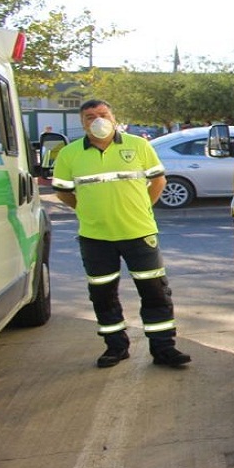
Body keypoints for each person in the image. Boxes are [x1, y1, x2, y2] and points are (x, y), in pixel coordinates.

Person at [51, 99, 191, 369]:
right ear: (82, 122)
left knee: (155, 292)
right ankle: (115, 348)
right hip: (95, 238)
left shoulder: (138, 145)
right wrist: (87, 211)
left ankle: (164, 349)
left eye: (103, 114)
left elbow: (158, 180)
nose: (97, 120)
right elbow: (63, 191)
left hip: (139, 233)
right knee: (103, 294)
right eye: (90, 116)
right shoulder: (69, 154)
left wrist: (141, 208)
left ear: (114, 117)